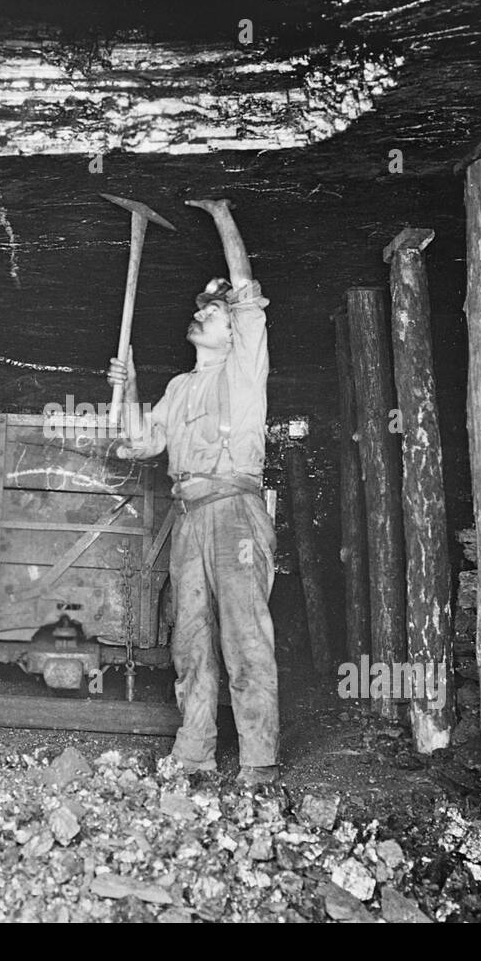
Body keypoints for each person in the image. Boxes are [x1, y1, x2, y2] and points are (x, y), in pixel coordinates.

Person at [106, 198, 279, 787]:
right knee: (190, 639)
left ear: (235, 332)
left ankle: (258, 761)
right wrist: (126, 392)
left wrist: (223, 215)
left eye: (215, 309)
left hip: (235, 514)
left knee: (245, 634)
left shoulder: (244, 371)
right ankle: (195, 751)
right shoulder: (179, 388)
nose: (203, 312)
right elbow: (137, 447)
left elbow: (247, 291)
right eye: (201, 307)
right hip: (189, 516)